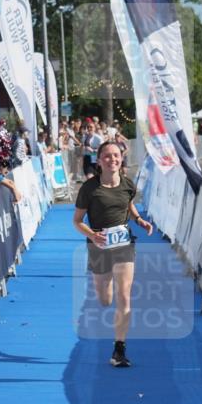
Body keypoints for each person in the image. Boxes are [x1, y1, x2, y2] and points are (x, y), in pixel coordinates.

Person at [73, 141, 153, 368]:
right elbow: (77, 221)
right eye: (107, 156)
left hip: (124, 245)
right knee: (104, 298)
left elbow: (128, 204)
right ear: (98, 161)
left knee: (124, 297)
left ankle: (119, 349)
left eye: (116, 155)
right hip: (98, 247)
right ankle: (102, 285)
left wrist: (138, 220)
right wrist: (93, 235)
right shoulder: (89, 189)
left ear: (121, 158)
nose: (112, 159)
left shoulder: (128, 184)